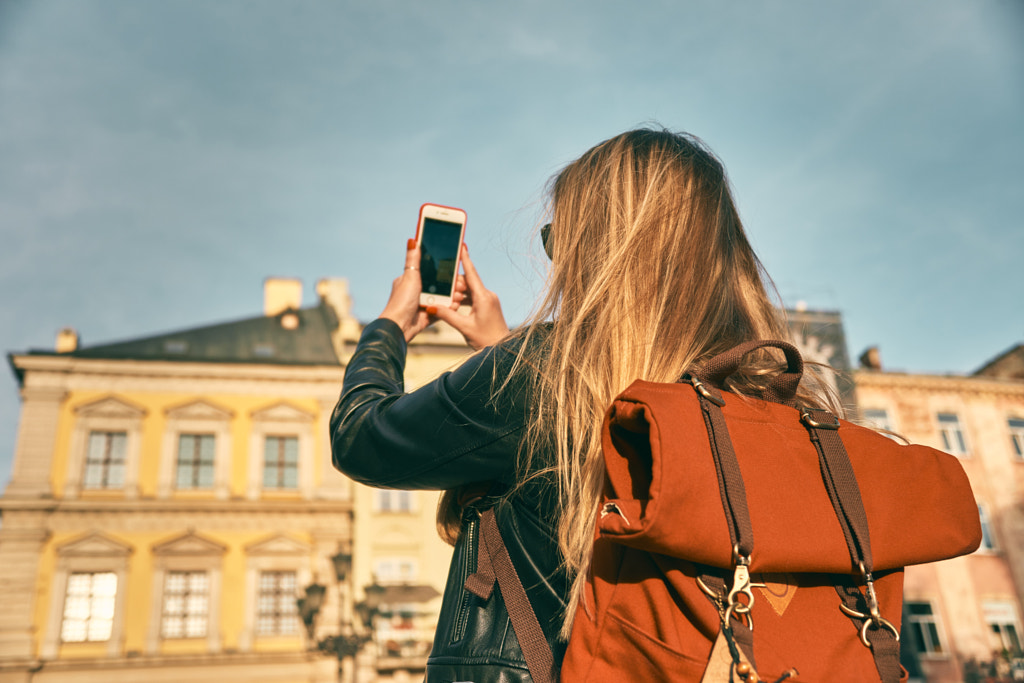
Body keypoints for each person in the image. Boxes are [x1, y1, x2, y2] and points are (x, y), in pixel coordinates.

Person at [330, 128, 837, 681]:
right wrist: (500, 347)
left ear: (596, 251)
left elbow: (361, 437)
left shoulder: (538, 373)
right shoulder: (773, 393)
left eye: (557, 241)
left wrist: (389, 327)